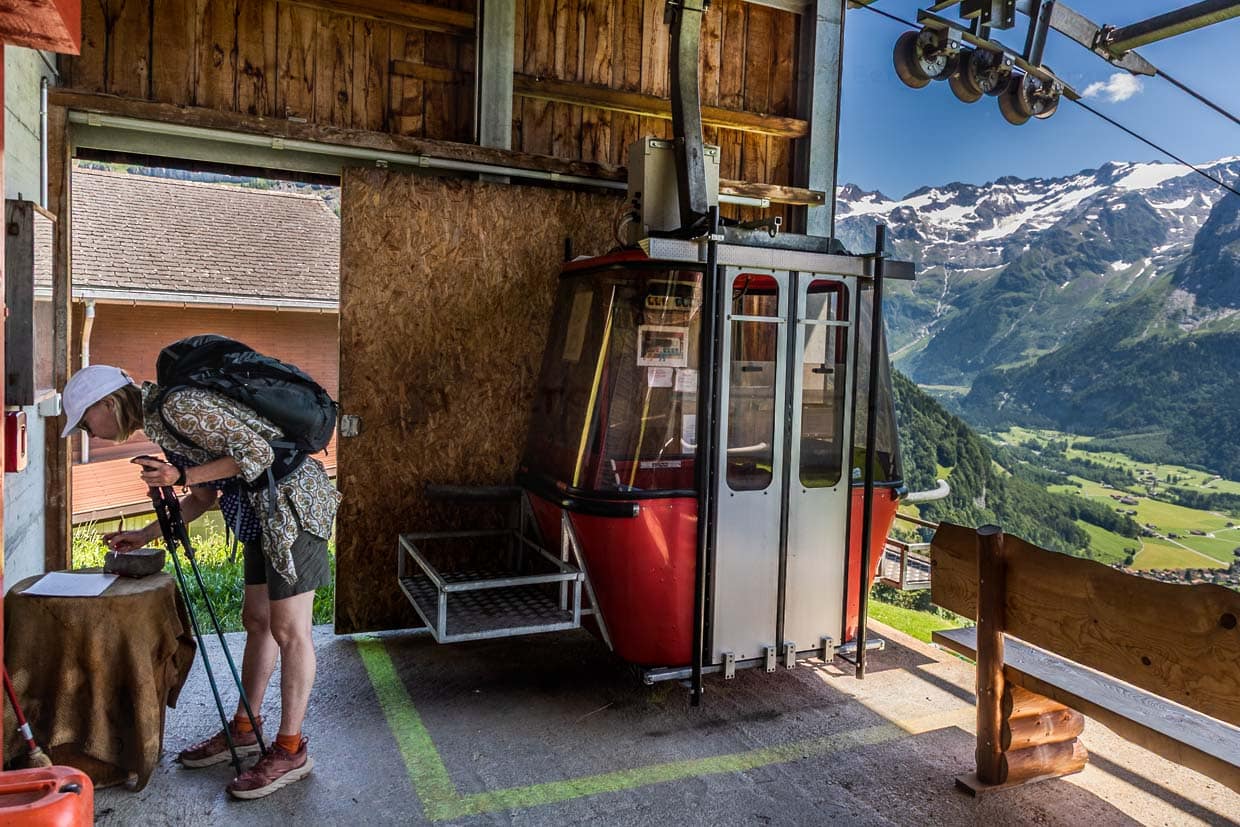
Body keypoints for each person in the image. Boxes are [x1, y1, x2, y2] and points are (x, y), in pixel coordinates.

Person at [60, 362, 340, 800]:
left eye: (85, 421)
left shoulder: (179, 406)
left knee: (290, 629)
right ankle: (247, 728)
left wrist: (180, 475)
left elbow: (259, 453)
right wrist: (147, 533)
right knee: (257, 620)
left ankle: (290, 749)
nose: (88, 433)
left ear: (109, 403)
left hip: (293, 504)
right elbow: (204, 498)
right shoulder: (162, 423)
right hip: (261, 511)